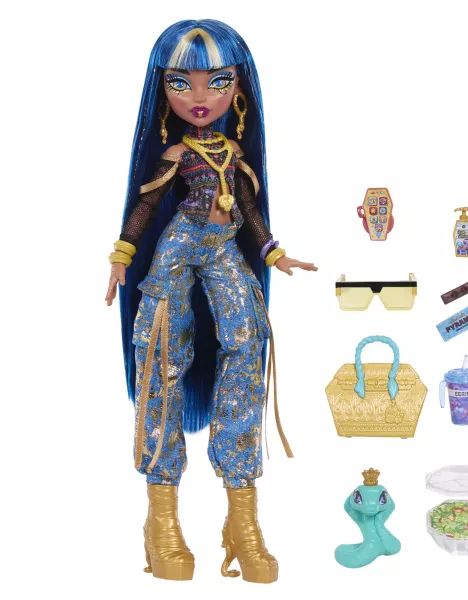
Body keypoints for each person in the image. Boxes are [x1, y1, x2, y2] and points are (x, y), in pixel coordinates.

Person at [104, 19, 317, 584]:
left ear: (238, 87)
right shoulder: (176, 154)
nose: (199, 97)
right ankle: (161, 517)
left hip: (224, 248)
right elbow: (146, 206)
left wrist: (274, 254)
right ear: (163, 90)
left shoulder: (233, 151)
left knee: (248, 339)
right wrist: (122, 254)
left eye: (216, 81)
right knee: (160, 351)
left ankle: (241, 517)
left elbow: (249, 211)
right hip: (177, 247)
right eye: (181, 83)